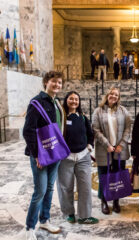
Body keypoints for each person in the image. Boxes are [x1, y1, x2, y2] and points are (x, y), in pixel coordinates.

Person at [23, 71, 65, 240]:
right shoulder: (36, 102)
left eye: (60, 82)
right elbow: (28, 131)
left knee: (49, 188)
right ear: (46, 82)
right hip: (41, 155)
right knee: (39, 191)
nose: (57, 85)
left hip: (55, 153)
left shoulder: (57, 103)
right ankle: (29, 228)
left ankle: (45, 220)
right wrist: (36, 155)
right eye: (54, 81)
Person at [57, 91, 98, 224]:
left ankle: (84, 216)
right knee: (65, 187)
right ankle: (69, 213)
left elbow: (90, 135)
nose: (74, 101)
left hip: (83, 157)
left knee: (85, 187)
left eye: (76, 99)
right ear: (66, 100)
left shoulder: (83, 117)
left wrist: (89, 147)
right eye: (71, 99)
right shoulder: (61, 117)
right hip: (65, 158)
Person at [92, 87, 131, 215]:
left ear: (118, 98)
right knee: (104, 175)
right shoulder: (98, 111)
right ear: (107, 95)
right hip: (104, 149)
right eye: (111, 94)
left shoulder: (123, 111)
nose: (113, 96)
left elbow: (127, 129)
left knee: (118, 175)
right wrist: (107, 144)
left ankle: (116, 201)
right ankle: (104, 201)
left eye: (116, 95)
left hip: (119, 149)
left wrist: (121, 144)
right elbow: (96, 130)